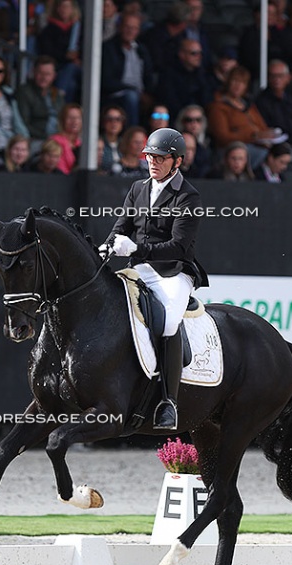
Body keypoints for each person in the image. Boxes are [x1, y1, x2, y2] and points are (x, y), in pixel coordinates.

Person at [102, 127, 208, 430]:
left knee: (169, 320)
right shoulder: (137, 188)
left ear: (176, 161)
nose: (153, 162)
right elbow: (121, 226)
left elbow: (178, 245)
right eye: (150, 156)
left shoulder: (188, 196)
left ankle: (168, 402)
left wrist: (137, 247)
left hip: (173, 271)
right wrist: (108, 246)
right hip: (140, 268)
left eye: (160, 158)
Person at [207, 65, 277, 169]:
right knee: (266, 155)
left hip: (257, 144)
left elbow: (262, 127)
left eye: (242, 82)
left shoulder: (249, 106)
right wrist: (253, 136)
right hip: (233, 150)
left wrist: (267, 136)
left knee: (281, 153)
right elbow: (223, 137)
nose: (238, 86)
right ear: (228, 82)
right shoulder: (218, 107)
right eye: (235, 81)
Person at [101, 11, 155, 128]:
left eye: (134, 28)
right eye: (127, 27)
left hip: (140, 95)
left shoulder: (142, 50)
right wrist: (132, 89)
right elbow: (106, 80)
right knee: (131, 97)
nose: (130, 31)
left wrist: (148, 94)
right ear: (119, 27)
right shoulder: (108, 48)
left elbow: (148, 76)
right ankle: (132, 134)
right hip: (116, 94)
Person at [255, 60, 292, 159]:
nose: (277, 79)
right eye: (273, 76)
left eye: (280, 76)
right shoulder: (262, 101)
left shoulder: (291, 99)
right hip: (278, 150)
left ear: (288, 78)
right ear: (268, 78)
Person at [17, 55, 65, 154]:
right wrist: (48, 138)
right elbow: (24, 123)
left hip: (58, 138)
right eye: (40, 73)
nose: (43, 77)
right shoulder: (25, 92)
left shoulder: (57, 94)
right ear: (34, 72)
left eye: (47, 74)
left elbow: (64, 118)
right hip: (37, 139)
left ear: (54, 76)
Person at [155, 38, 213, 119]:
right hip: (177, 118)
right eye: (194, 53)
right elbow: (170, 101)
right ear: (182, 54)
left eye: (200, 53)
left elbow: (207, 100)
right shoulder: (168, 74)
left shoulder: (203, 74)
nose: (199, 57)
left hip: (199, 118)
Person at [36, 0, 82, 102]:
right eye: (61, 7)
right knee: (71, 84)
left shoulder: (79, 28)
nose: (63, 10)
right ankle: (60, 101)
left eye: (66, 7)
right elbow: (47, 52)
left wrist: (78, 58)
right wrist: (67, 57)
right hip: (59, 66)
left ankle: (59, 100)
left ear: (72, 9)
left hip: (80, 67)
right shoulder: (49, 30)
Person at [49, 102, 82, 174]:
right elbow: (60, 170)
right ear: (63, 120)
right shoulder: (55, 141)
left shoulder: (81, 142)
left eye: (78, 118)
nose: (75, 121)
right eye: (70, 118)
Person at [100, 104, 127, 173]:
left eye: (118, 119)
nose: (114, 123)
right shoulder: (98, 143)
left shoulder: (125, 143)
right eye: (109, 119)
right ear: (104, 122)